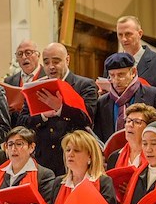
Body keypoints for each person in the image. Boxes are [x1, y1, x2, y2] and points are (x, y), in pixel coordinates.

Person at [17, 42, 97, 176]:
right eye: (46, 62)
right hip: (43, 160)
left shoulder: (84, 85)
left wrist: (60, 108)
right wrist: (43, 115)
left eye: (56, 61)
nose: (51, 67)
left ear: (67, 60)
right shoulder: (36, 87)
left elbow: (87, 118)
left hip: (73, 159)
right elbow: (22, 122)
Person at [94, 52, 156, 143]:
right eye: (112, 75)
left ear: (133, 72)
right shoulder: (102, 102)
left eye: (121, 75)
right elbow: (99, 136)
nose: (116, 80)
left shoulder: (154, 95)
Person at [115, 15, 156, 89]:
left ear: (140, 34)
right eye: (120, 35)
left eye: (128, 34)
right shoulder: (112, 62)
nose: (123, 39)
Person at [4, 40, 46, 127]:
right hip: (17, 129)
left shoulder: (47, 77)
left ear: (38, 55)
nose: (24, 57)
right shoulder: (9, 81)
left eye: (28, 53)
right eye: (20, 54)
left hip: (41, 128)